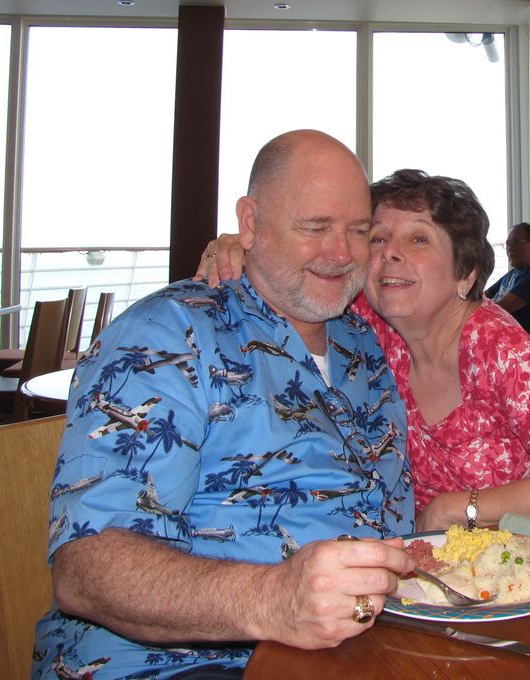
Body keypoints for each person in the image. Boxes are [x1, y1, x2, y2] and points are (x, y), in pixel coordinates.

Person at [32, 130, 416, 680]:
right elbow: (87, 568)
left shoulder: (363, 342)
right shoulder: (167, 336)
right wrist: (272, 599)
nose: (341, 253)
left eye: (358, 231)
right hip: (181, 664)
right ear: (250, 223)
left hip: (362, 652)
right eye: (315, 228)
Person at [198, 170, 530, 534]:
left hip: (515, 559)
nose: (390, 252)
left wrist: (454, 508)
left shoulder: (496, 348)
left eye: (419, 239)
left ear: (465, 273)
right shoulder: (370, 320)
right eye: (378, 238)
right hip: (417, 565)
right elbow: (294, 283)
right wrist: (247, 247)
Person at [485, 222, 530, 342]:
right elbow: (484, 296)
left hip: (512, 344)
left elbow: (500, 309)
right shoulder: (513, 273)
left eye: (516, 242)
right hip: (495, 337)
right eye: (507, 243)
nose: (510, 248)